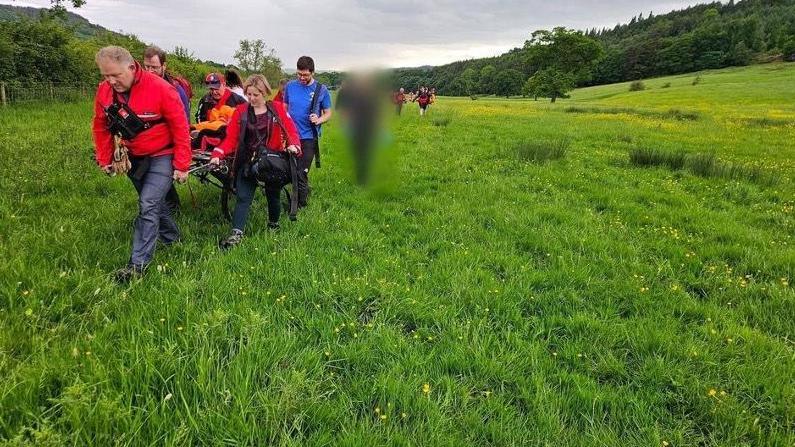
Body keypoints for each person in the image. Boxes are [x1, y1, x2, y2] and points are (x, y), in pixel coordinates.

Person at [91, 46, 190, 282]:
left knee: (148, 203)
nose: (111, 81)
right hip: (133, 156)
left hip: (162, 154)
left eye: (116, 75)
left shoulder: (161, 89)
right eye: (106, 76)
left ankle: (137, 266)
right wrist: (105, 158)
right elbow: (101, 126)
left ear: (132, 67)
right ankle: (172, 238)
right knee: (153, 202)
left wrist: (182, 164)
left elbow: (180, 127)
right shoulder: (104, 92)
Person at [209, 74, 301, 249]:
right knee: (243, 197)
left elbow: (291, 130)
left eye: (255, 95)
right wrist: (218, 153)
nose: (251, 98)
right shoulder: (241, 111)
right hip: (247, 161)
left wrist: (294, 145)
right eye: (248, 94)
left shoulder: (278, 109)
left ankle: (273, 224)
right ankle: (236, 234)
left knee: (273, 195)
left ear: (264, 92)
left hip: (271, 161)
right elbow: (231, 139)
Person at [143, 45, 189, 214]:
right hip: (147, 141)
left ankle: (164, 206)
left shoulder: (175, 90)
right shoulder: (139, 87)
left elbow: (183, 122)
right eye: (146, 67)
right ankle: (166, 204)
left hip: (168, 141)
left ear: (164, 66)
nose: (149, 71)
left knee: (159, 173)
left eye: (154, 67)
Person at [283, 56, 332, 208]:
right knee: (289, 170)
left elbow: (328, 113)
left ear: (313, 73)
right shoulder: (290, 86)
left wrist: (319, 120)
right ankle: (302, 192)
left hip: (309, 137)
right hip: (291, 136)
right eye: (299, 74)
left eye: (305, 75)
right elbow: (284, 108)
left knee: (301, 171)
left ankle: (299, 205)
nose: (302, 78)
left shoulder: (321, 90)